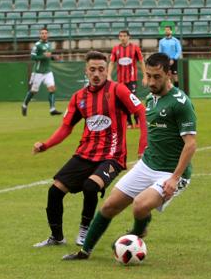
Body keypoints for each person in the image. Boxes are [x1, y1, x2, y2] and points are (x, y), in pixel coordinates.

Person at [63, 52, 197, 261]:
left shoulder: (180, 103)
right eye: (148, 76)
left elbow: (191, 145)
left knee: (140, 206)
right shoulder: (151, 98)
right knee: (109, 206)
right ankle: (84, 252)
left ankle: (137, 233)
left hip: (171, 172)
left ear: (169, 75)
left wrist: (174, 178)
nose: (151, 82)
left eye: (157, 77)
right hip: (148, 165)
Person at [32, 51, 147, 248]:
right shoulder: (79, 98)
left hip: (113, 155)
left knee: (90, 186)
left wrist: (142, 147)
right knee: (54, 191)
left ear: (106, 71)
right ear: (86, 71)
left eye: (101, 70)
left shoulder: (118, 90)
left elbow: (141, 112)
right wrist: (46, 144)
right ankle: (57, 237)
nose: (96, 74)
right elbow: (66, 127)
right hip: (85, 154)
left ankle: (85, 230)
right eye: (92, 70)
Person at [108, 30, 147, 128]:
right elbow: (112, 63)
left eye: (125, 36)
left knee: (133, 99)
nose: (123, 38)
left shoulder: (135, 48)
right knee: (123, 101)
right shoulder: (115, 49)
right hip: (120, 81)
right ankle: (129, 122)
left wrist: (145, 76)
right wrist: (108, 75)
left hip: (132, 79)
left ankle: (137, 120)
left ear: (129, 37)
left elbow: (141, 62)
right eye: (121, 36)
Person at [21, 27, 62, 117]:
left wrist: (53, 57)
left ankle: (52, 109)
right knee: (34, 91)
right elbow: (32, 57)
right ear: (40, 35)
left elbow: (48, 56)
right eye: (42, 33)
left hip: (47, 71)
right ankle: (24, 105)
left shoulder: (48, 45)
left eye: (45, 33)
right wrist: (43, 56)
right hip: (38, 72)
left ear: (48, 35)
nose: (44, 35)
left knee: (52, 88)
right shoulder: (37, 45)